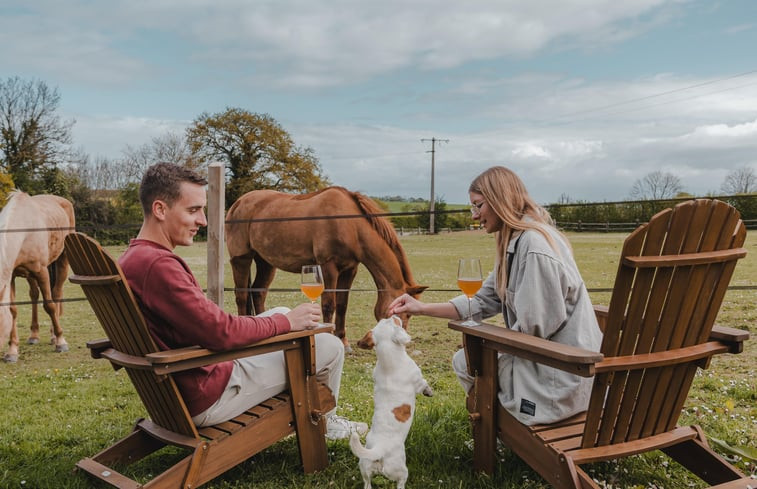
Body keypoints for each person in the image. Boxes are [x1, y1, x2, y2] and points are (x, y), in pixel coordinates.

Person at [119, 162, 367, 439]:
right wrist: (284, 323)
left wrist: (282, 319)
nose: (203, 220)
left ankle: (318, 403)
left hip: (182, 380)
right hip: (209, 391)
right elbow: (220, 332)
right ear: (160, 210)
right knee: (330, 345)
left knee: (286, 314)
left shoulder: (132, 258)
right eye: (193, 210)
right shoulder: (159, 266)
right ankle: (325, 422)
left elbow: (206, 326)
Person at [389, 166, 603, 425]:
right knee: (466, 360)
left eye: (478, 205)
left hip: (560, 375)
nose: (475, 215)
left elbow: (536, 330)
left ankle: (500, 430)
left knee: (470, 361)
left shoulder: (534, 246)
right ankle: (498, 424)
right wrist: (419, 308)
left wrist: (485, 341)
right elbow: (480, 301)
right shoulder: (515, 241)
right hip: (552, 365)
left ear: (500, 199)